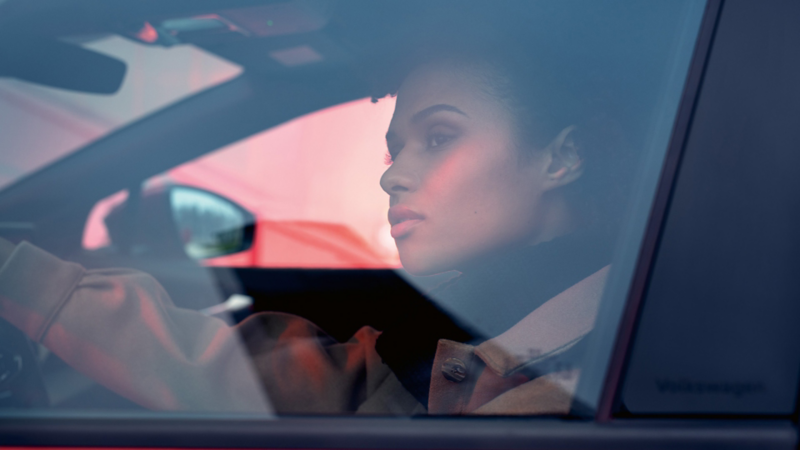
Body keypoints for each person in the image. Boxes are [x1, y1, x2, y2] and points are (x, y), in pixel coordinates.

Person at [0, 40, 626, 415]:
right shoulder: (477, 328)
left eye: (439, 137)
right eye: (394, 151)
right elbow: (286, 385)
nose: (392, 179)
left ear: (560, 158)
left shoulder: (575, 373)